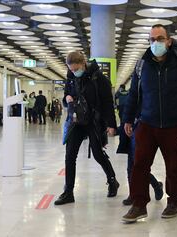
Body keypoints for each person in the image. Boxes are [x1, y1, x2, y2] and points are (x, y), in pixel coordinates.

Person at [121, 24, 177, 223]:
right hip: (146, 122)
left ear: (169, 41)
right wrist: (127, 119)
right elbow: (134, 94)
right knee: (139, 164)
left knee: (173, 165)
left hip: (173, 122)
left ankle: (174, 202)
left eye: (160, 38)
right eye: (152, 39)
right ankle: (139, 204)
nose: (156, 43)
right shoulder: (142, 65)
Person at [54, 51, 119, 205]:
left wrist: (111, 124)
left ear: (83, 63)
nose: (73, 72)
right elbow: (66, 96)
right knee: (70, 155)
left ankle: (112, 181)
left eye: (76, 69)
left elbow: (107, 102)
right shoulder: (70, 78)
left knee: (98, 154)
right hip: (76, 121)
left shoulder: (99, 78)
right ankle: (68, 192)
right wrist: (66, 99)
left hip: (93, 121)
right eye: (71, 69)